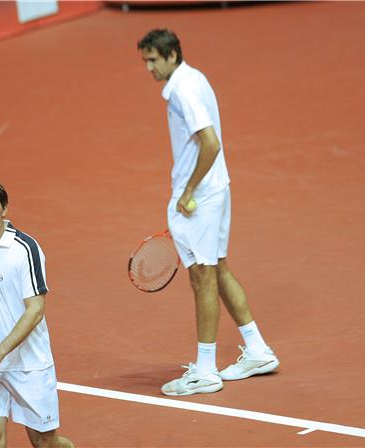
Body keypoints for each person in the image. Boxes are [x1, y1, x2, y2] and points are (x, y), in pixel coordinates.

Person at [137, 29, 279, 396]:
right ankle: (258, 350)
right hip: (218, 188)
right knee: (217, 266)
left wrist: (186, 192)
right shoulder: (193, 77)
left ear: (170, 55)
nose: (149, 67)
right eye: (146, 61)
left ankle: (204, 370)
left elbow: (211, 143)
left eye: (153, 60)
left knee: (201, 277)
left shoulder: (183, 89)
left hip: (201, 196)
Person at [0, 179, 74, 447]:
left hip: (28, 363)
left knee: (45, 443)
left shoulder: (25, 249)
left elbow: (36, 310)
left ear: (4, 209)